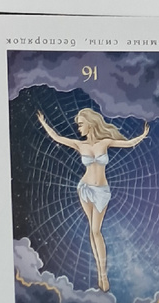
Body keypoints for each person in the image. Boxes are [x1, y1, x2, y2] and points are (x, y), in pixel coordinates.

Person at [36, 107, 149, 292]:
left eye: (81, 124)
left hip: (101, 191)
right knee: (92, 229)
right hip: (85, 189)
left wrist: (143, 135)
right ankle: (101, 273)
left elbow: (128, 144)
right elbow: (57, 137)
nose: (79, 128)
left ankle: (103, 274)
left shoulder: (105, 142)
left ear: (90, 123)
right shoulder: (80, 145)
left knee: (96, 230)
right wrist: (43, 123)